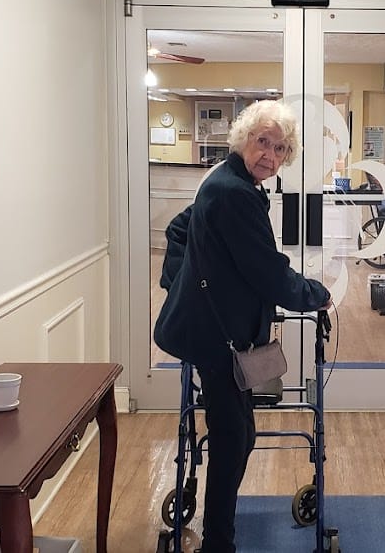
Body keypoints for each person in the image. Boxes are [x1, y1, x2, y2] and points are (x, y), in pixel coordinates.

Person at [155, 100, 333, 553]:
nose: (270, 155)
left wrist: (190, 279)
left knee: (239, 435)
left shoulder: (229, 182)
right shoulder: (233, 192)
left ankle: (220, 536)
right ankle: (218, 544)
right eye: (263, 142)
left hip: (218, 333)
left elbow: (180, 230)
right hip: (217, 339)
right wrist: (316, 294)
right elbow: (267, 272)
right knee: (232, 440)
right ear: (243, 140)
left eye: (280, 148)